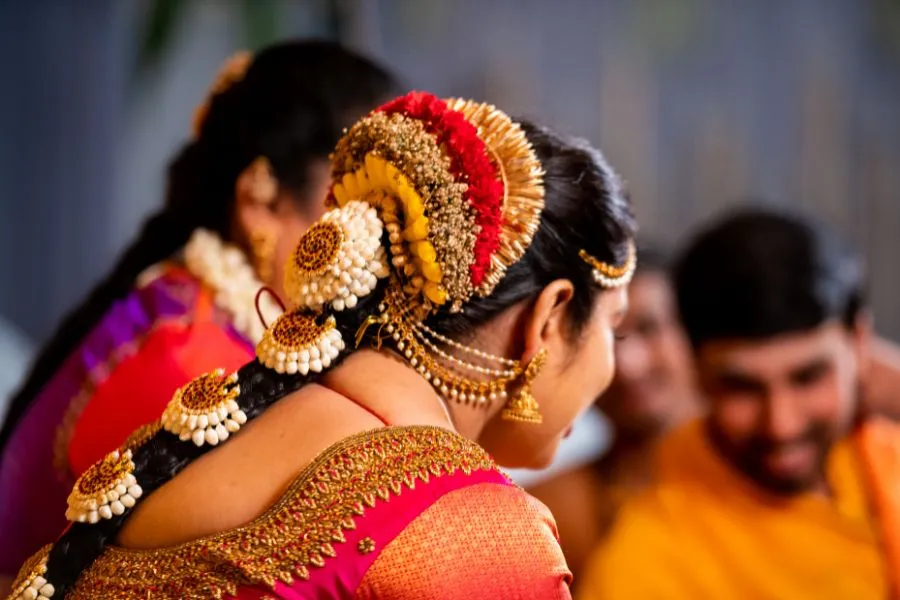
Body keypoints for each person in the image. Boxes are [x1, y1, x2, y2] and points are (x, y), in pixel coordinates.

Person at [5, 91, 636, 599]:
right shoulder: (469, 535)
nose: (617, 364)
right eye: (616, 325)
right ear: (548, 319)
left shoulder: (208, 433)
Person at [0, 40, 400, 584]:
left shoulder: (204, 319)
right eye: (358, 208)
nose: (386, 249)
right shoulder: (185, 360)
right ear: (259, 203)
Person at [579, 207, 899, 599]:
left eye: (808, 377)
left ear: (860, 343)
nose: (782, 424)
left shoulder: (882, 455)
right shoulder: (645, 567)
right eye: (742, 387)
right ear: (696, 370)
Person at [527, 245, 698, 583]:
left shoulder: (773, 469)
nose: (628, 365)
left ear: (694, 334)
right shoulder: (547, 516)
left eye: (649, 328)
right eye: (602, 338)